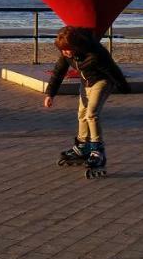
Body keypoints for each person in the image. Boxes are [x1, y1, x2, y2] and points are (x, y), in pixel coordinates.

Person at [44, 25, 130, 177]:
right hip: (86, 83)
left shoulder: (95, 53)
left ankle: (97, 150)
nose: (64, 53)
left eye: (67, 49)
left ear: (76, 46)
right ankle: (83, 147)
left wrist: (124, 87)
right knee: (81, 113)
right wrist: (50, 94)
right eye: (62, 50)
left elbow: (113, 69)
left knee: (91, 114)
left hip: (101, 81)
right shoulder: (66, 54)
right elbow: (58, 72)